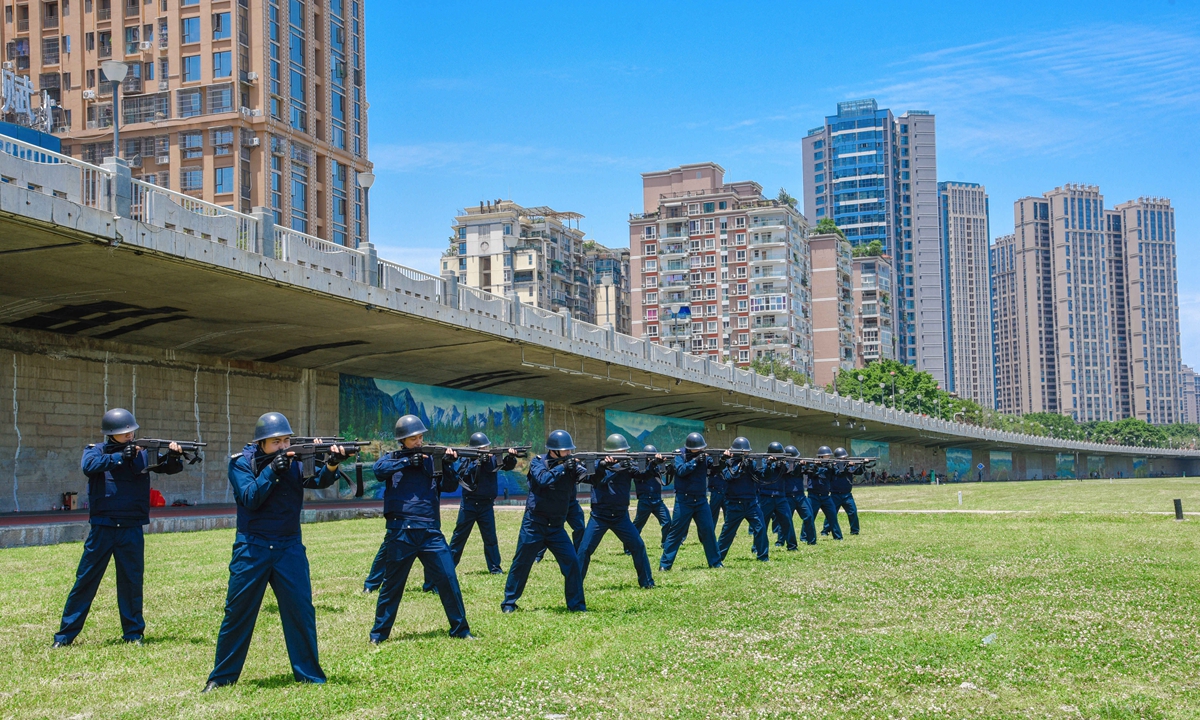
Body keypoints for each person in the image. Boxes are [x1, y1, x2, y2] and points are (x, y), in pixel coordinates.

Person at [204, 412, 342, 692]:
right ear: (261, 443)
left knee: (300, 612)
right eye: (276, 441)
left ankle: (310, 676)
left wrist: (330, 466)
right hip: (251, 547)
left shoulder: (294, 461)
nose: (283, 446)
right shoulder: (241, 464)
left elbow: (317, 482)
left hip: (288, 546)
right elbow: (249, 498)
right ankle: (221, 678)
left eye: (286, 440)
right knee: (238, 613)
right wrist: (272, 471)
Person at [53, 409, 184, 648]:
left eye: (131, 432)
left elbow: (167, 468)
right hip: (103, 527)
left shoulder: (142, 453)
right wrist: (120, 456)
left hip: (131, 526)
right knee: (86, 580)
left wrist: (174, 457)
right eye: (125, 433)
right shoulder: (96, 451)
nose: (130, 435)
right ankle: (64, 636)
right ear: (112, 434)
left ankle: (133, 634)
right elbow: (89, 466)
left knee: (131, 582)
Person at [369, 415, 474, 643]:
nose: (418, 442)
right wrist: (408, 462)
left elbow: (449, 486)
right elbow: (378, 470)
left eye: (420, 437)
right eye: (413, 439)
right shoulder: (393, 459)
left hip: (430, 531)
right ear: (402, 441)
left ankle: (461, 629)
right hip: (401, 531)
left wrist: (448, 464)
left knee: (448, 578)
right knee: (392, 586)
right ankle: (378, 634)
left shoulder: (430, 460)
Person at [501, 430, 587, 613]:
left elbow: (589, 478)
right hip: (534, 524)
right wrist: (563, 467)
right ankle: (509, 603)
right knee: (522, 563)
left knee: (572, 562)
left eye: (570, 451)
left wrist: (598, 466)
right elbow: (543, 480)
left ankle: (577, 606)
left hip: (556, 527)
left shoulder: (569, 465)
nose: (569, 454)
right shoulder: (538, 463)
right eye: (565, 451)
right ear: (554, 451)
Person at [577, 434, 656, 589]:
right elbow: (595, 480)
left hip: (621, 516)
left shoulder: (628, 464)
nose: (624, 454)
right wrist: (604, 466)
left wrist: (653, 464)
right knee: (584, 550)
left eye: (625, 451)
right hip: (599, 515)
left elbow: (642, 475)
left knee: (638, 546)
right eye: (621, 451)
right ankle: (575, 583)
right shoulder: (597, 465)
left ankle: (647, 583)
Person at [447, 432, 518, 574]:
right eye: (482, 448)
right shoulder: (466, 459)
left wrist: (511, 457)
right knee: (458, 539)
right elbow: (462, 475)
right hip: (469, 504)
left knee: (490, 538)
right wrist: (477, 462)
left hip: (486, 505)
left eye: (486, 447)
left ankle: (495, 568)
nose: (486, 450)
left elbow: (506, 466)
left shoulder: (492, 459)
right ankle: (448, 568)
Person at [658, 432, 724, 571]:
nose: (700, 450)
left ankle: (715, 562)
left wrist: (723, 460)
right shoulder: (679, 455)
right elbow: (681, 471)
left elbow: (715, 469)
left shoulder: (704, 456)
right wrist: (695, 461)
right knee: (676, 533)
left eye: (701, 448)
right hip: (684, 500)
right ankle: (665, 565)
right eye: (697, 448)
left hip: (700, 500)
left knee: (708, 531)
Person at [716, 437, 769, 562]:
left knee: (760, 528)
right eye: (743, 452)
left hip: (751, 502)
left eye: (746, 452)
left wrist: (767, 465)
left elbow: (761, 476)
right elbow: (729, 477)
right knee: (728, 532)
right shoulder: (728, 463)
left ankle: (763, 556)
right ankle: (718, 558)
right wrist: (739, 466)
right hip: (734, 503)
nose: (745, 454)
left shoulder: (751, 463)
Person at [631, 444, 671, 550]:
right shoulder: (638, 466)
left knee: (667, 521)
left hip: (657, 499)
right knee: (637, 526)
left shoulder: (657, 466)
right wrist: (653, 464)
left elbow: (665, 472)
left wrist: (665, 464)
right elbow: (642, 474)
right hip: (644, 500)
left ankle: (665, 543)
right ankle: (629, 547)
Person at [756, 442, 794, 550]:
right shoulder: (763, 461)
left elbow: (786, 471)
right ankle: (757, 547)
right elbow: (764, 475)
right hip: (766, 496)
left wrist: (779, 463)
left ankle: (792, 545)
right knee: (762, 524)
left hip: (780, 496)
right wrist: (769, 464)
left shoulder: (783, 462)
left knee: (787, 521)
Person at [777, 446, 812, 548]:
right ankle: (780, 541)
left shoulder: (799, 465)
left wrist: (804, 465)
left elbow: (807, 471)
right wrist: (798, 465)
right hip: (787, 496)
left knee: (809, 517)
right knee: (785, 520)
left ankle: (811, 540)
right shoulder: (784, 465)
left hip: (800, 495)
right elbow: (790, 472)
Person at [827, 447, 863, 535]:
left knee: (853, 512)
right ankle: (826, 530)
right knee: (831, 513)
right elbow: (839, 473)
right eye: (842, 458)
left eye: (845, 458)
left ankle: (855, 530)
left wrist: (862, 465)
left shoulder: (848, 465)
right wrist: (847, 467)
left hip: (847, 494)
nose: (844, 459)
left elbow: (858, 472)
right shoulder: (832, 466)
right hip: (835, 494)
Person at [810, 446, 842, 540]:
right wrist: (817, 466)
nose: (828, 457)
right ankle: (804, 536)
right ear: (821, 456)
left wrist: (836, 466)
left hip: (825, 495)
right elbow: (813, 474)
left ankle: (838, 536)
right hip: (814, 495)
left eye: (828, 456)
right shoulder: (813, 465)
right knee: (810, 517)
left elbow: (839, 474)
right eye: (826, 456)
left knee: (832, 516)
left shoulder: (830, 466)